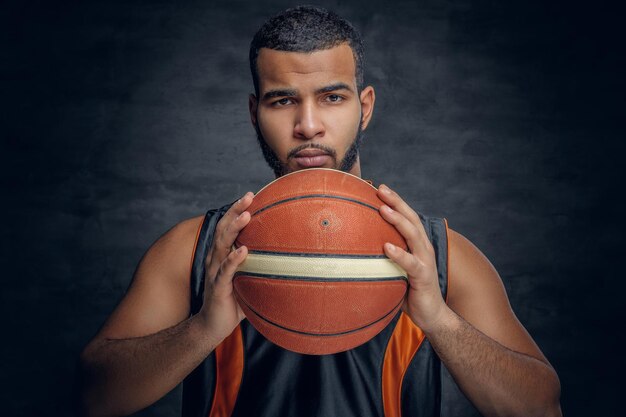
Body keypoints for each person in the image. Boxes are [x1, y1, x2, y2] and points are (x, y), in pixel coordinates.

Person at [78, 6, 562, 417]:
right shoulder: (198, 247)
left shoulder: (434, 252)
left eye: (332, 97)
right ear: (254, 113)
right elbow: (92, 396)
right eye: (283, 100)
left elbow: (543, 408)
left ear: (365, 106)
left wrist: (439, 319)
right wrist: (204, 329)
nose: (308, 125)